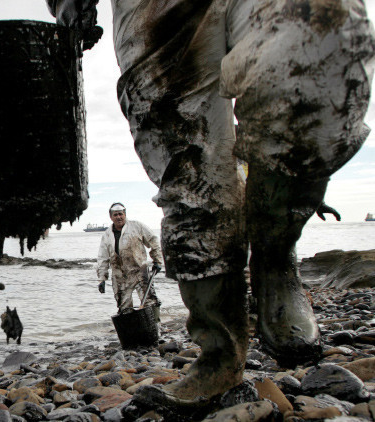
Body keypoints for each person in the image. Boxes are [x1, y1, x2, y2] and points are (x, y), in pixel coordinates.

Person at [48, 0, 375, 410]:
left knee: (318, 42)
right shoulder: (109, 238)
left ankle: (274, 255)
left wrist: (156, 260)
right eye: (112, 214)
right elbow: (107, 257)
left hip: (138, 269)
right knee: (188, 170)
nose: (116, 217)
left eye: (118, 213)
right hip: (154, 9)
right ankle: (219, 351)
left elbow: (150, 244)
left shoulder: (133, 229)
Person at [96, 202, 163, 313]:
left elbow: (153, 241)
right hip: (119, 275)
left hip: (140, 271)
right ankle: (131, 328)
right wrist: (102, 278)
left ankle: (156, 325)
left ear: (125, 214)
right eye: (115, 215)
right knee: (124, 307)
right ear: (111, 217)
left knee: (150, 300)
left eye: (120, 214)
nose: (118, 217)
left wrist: (157, 260)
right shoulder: (107, 235)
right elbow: (103, 258)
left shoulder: (137, 226)